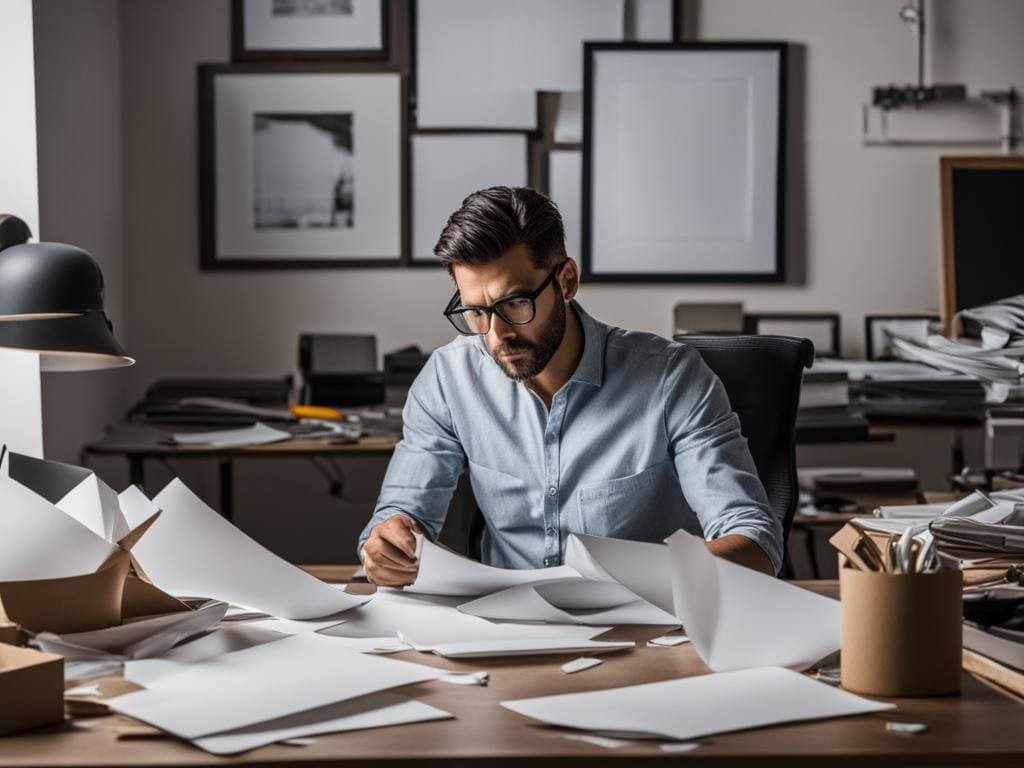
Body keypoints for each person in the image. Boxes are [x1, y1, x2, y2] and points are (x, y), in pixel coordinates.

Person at [358, 186, 782, 586]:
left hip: (642, 629)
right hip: (504, 633)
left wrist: (640, 582)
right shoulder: (449, 380)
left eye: (515, 303)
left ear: (567, 281)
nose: (495, 334)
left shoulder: (672, 379)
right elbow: (397, 519)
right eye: (476, 312)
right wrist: (389, 546)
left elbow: (756, 542)